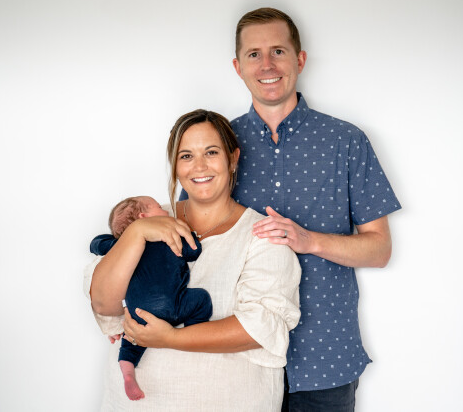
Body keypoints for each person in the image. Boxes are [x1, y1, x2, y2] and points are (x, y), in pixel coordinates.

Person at [182, 7, 402, 411]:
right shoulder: (213, 147)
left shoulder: (346, 141)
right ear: (238, 66)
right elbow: (186, 243)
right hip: (237, 359)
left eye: (278, 51)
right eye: (254, 54)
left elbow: (380, 249)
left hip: (325, 359)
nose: (267, 65)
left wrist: (309, 240)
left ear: (299, 60)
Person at [84, 109, 302, 411]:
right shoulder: (144, 217)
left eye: (211, 152)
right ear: (175, 166)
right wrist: (137, 233)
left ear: (233, 158)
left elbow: (258, 328)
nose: (199, 166)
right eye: (186, 156)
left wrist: (171, 338)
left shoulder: (261, 235)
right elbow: (103, 303)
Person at [89, 195, 212, 401]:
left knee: (131, 337)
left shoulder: (120, 247)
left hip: (138, 312)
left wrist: (121, 237)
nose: (165, 211)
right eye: (158, 208)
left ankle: (127, 370)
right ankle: (193, 330)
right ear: (143, 217)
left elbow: (96, 244)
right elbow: (193, 250)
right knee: (201, 299)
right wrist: (189, 233)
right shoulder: (170, 237)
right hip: (172, 305)